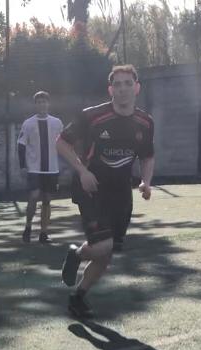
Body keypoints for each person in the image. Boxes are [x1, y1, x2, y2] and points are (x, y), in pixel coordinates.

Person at [56, 65, 155, 319]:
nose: (123, 89)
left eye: (128, 83)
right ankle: (78, 253)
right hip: (91, 187)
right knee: (102, 246)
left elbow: (147, 156)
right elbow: (61, 142)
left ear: (137, 88)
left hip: (121, 193)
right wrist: (82, 171)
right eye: (117, 84)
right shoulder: (92, 116)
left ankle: (78, 297)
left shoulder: (145, 122)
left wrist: (145, 182)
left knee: (106, 253)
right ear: (110, 90)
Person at [17, 91, 64, 244]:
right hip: (34, 168)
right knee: (34, 196)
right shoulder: (28, 123)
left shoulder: (57, 122)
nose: (42, 104)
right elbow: (21, 145)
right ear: (35, 105)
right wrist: (22, 166)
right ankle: (28, 227)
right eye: (39, 102)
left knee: (47, 200)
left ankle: (43, 233)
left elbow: (63, 144)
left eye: (44, 101)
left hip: (52, 169)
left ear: (48, 104)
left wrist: (66, 162)